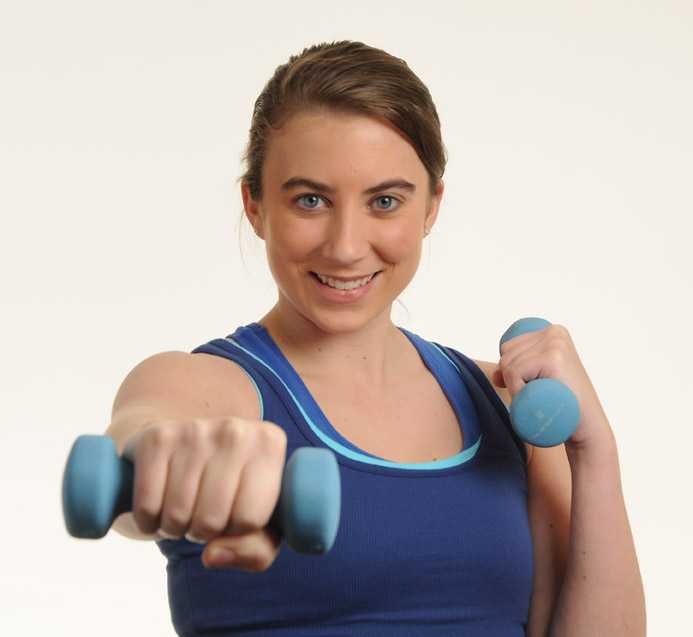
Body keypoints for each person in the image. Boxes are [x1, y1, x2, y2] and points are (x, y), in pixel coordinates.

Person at [104, 41, 645, 636]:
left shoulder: (510, 408)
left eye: (385, 201)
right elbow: (140, 440)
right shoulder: (203, 389)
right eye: (310, 200)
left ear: (431, 207)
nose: (345, 246)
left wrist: (595, 452)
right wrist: (170, 464)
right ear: (254, 205)